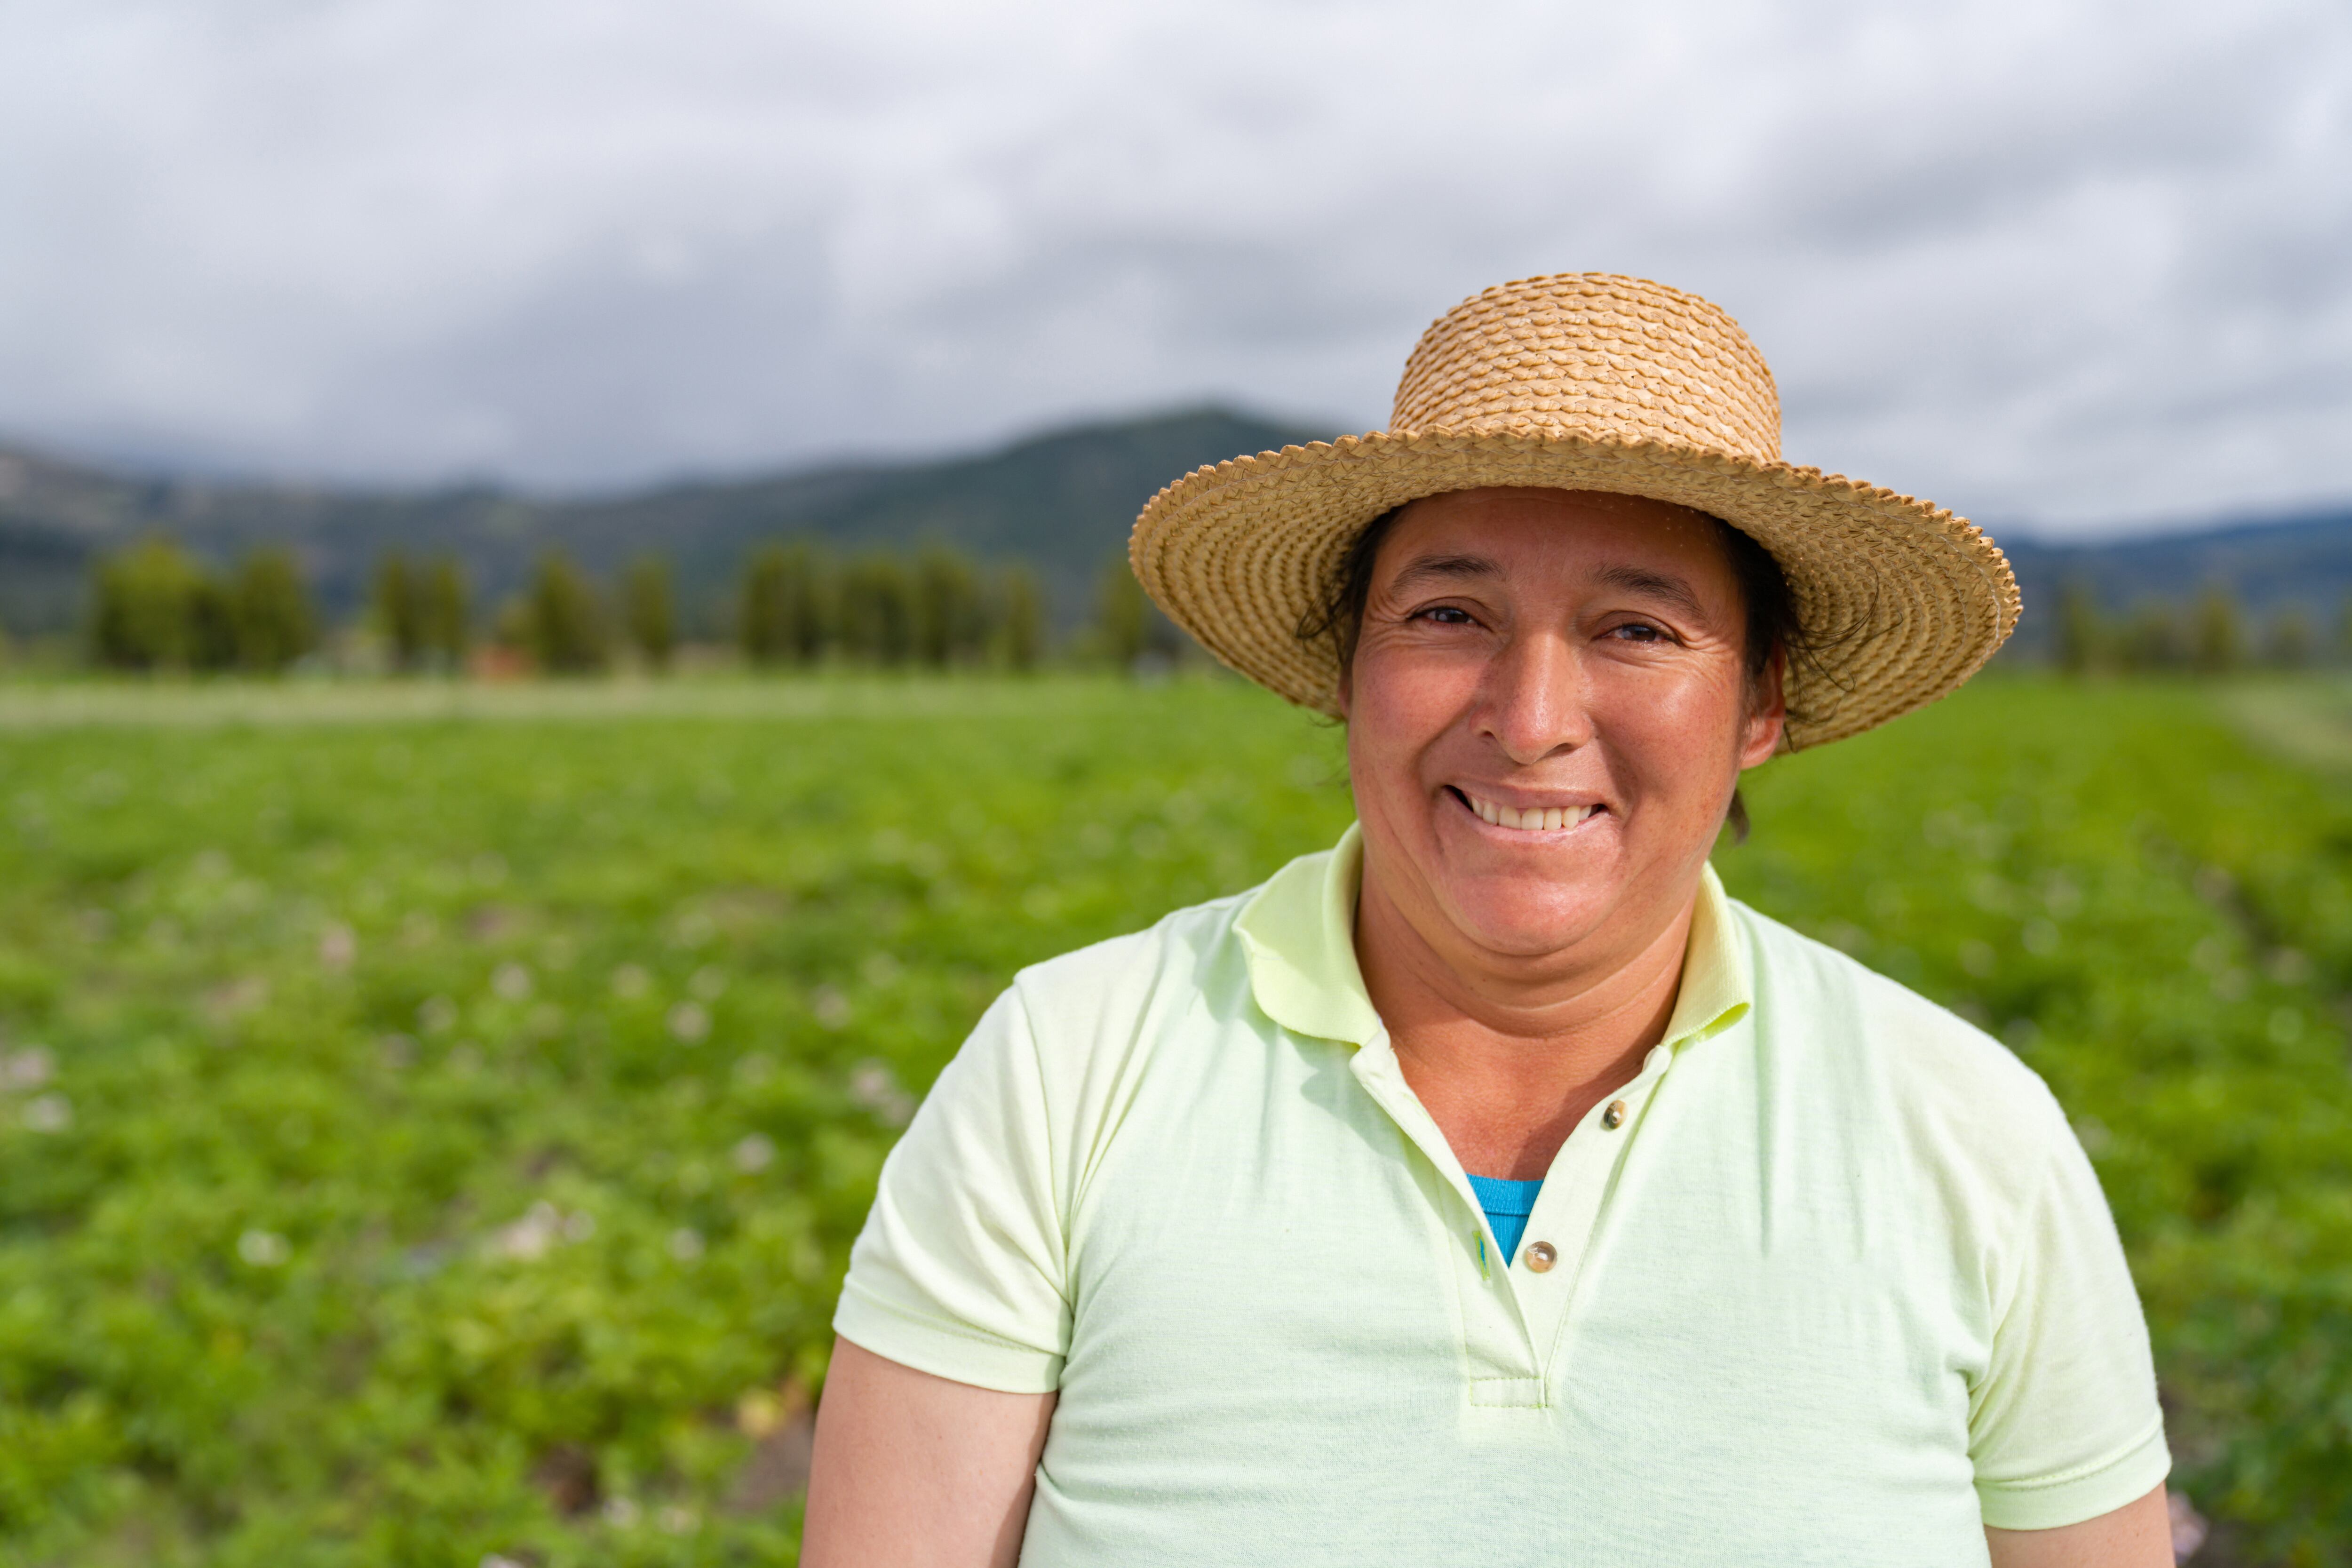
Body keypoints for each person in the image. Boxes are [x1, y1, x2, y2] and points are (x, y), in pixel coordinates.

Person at [803, 274, 2174, 1567]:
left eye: (1637, 629)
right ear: (1348, 673)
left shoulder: (1969, 1135)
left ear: (1760, 704)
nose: (1529, 723)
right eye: (1450, 613)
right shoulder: (1066, 1069)